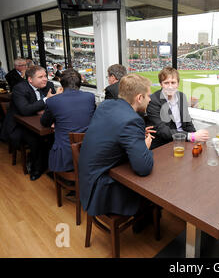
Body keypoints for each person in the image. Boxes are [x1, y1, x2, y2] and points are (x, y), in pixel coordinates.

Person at [79, 74, 154, 219]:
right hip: (101, 189)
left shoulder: (106, 105)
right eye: (148, 96)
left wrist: (135, 135)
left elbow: (113, 130)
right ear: (139, 98)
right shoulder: (132, 120)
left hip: (87, 178)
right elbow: (143, 168)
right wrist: (145, 146)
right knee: (152, 192)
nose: (150, 99)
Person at [2, 65, 57, 180]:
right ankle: (36, 168)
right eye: (40, 77)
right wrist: (46, 100)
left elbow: (55, 105)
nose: (45, 79)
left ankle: (53, 166)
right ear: (30, 80)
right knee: (36, 139)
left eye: (45, 76)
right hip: (19, 124)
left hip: (40, 122)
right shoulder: (19, 88)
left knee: (55, 135)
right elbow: (25, 110)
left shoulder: (49, 86)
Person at [40, 69, 96, 174]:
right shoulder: (90, 97)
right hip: (88, 150)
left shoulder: (52, 101)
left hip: (64, 155)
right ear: (80, 83)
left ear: (62, 83)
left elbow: (45, 123)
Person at [146, 67, 209, 150]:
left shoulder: (181, 96)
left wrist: (196, 136)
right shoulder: (153, 101)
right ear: (161, 84)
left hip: (183, 141)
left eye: (173, 82)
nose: (170, 86)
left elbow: (187, 121)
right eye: (166, 83)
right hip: (164, 145)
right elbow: (163, 131)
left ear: (178, 84)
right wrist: (191, 136)